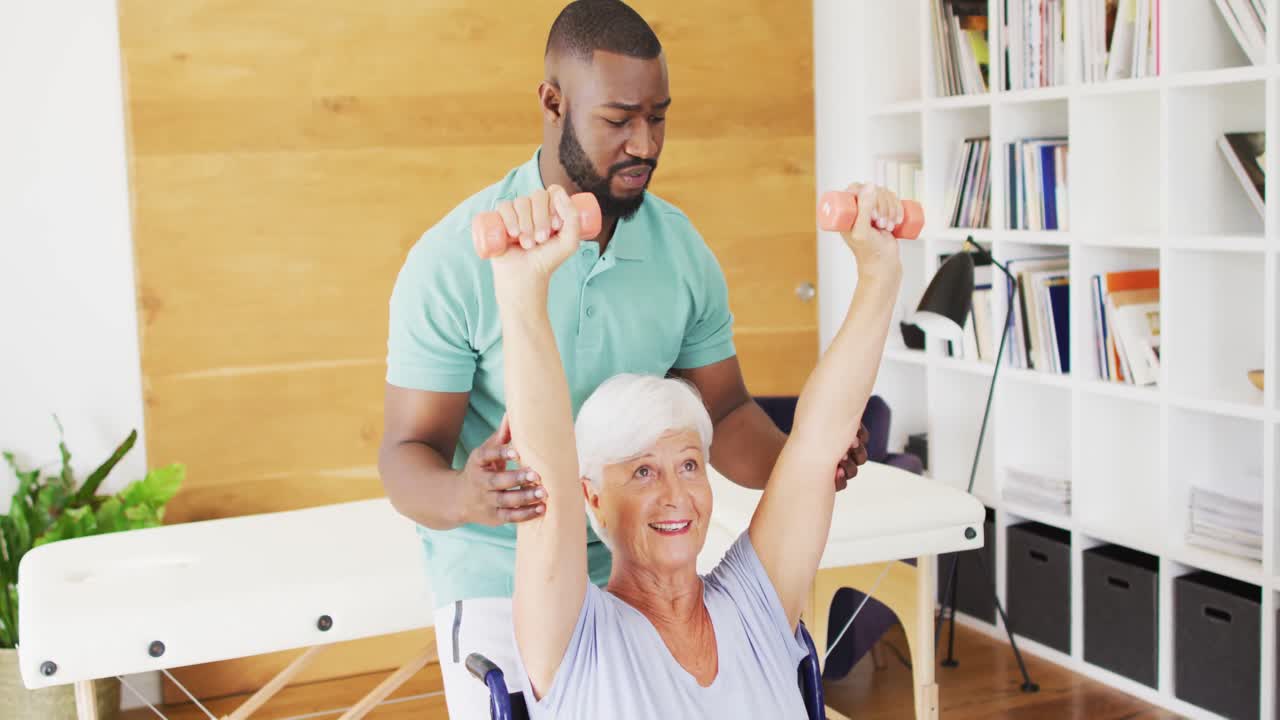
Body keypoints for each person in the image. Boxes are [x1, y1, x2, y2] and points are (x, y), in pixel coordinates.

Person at [378, 1, 868, 714]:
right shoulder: (456, 259)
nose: (645, 143)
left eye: (658, 116)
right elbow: (405, 453)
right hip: (502, 574)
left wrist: (806, 463)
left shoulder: (680, 251)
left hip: (643, 563)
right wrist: (465, 494)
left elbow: (726, 414)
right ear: (553, 103)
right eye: (618, 120)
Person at [491, 181, 902, 717]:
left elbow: (817, 446)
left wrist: (879, 275)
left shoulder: (754, 604)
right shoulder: (578, 639)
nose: (675, 494)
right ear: (592, 500)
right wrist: (522, 291)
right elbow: (545, 474)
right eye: (642, 472)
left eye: (688, 465)